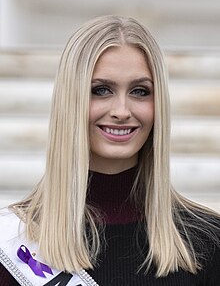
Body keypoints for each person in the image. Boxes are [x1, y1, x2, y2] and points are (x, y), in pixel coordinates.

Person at [0, 15, 220, 286]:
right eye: (101, 90)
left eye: (140, 91)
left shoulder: (207, 242)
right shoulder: (10, 242)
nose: (121, 111)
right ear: (72, 99)